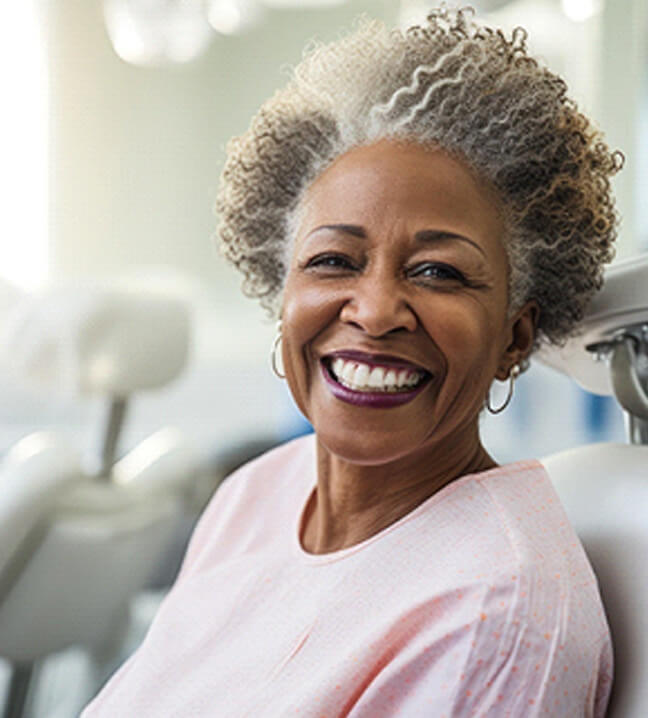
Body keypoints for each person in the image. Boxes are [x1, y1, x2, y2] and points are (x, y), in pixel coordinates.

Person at [82, 7, 621, 716]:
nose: (373, 311)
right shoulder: (257, 495)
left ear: (515, 339)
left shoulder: (496, 620)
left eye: (437, 273)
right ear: (284, 297)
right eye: (334, 261)